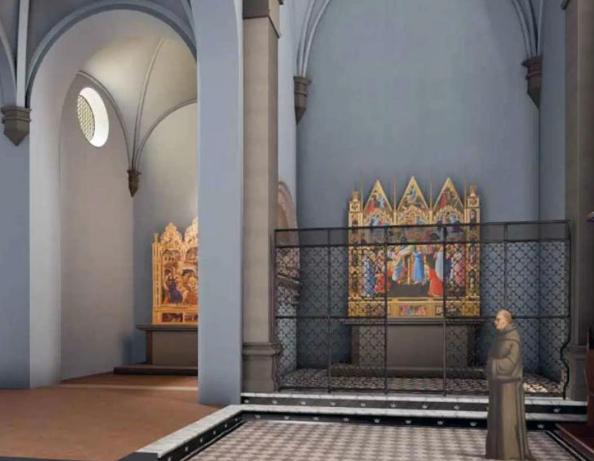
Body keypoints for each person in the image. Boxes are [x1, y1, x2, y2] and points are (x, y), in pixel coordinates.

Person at [485, 309, 533, 460]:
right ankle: (496, 451)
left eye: (498, 319)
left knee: (507, 417)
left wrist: (492, 364)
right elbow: (492, 355)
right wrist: (491, 363)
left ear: (506, 321)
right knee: (496, 417)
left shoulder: (513, 339)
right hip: (498, 384)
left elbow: (511, 363)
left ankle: (509, 453)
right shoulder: (501, 337)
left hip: (509, 386)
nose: (495, 322)